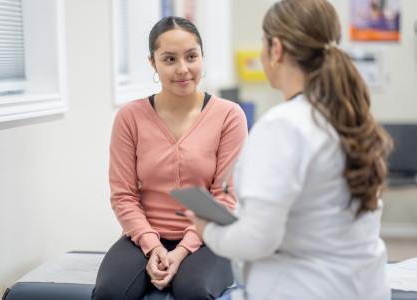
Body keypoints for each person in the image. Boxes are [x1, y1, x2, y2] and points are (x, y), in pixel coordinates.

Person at [186, 1, 393, 300]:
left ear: (277, 49)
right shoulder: (347, 117)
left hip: (304, 289)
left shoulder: (283, 126)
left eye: (262, 43)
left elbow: (257, 240)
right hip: (365, 288)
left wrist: (207, 229)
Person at [92, 16, 248, 300]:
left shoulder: (229, 116)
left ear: (202, 56)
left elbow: (225, 198)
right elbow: (123, 195)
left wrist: (182, 250)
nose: (183, 69)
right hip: (144, 235)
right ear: (152, 63)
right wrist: (154, 247)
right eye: (169, 59)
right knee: (108, 293)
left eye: (191, 56)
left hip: (209, 237)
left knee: (194, 291)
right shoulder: (130, 117)